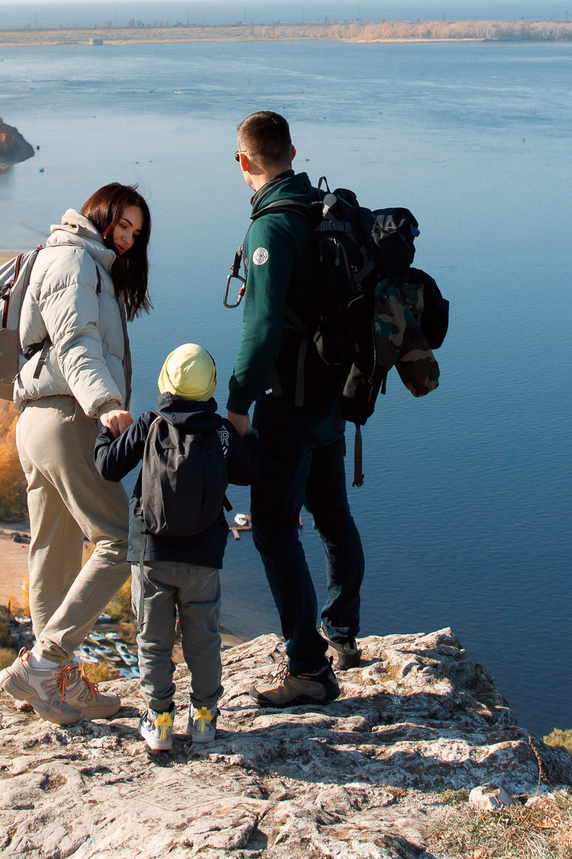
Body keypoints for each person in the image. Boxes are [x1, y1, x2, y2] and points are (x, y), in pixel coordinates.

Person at [0, 184, 151, 726]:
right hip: (67, 419)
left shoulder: (72, 258)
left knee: (53, 552)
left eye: (136, 232)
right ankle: (45, 662)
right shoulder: (73, 260)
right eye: (122, 225)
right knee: (120, 540)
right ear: (99, 215)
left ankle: (51, 687)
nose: (128, 239)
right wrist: (105, 402)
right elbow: (75, 339)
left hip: (37, 421)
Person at [224, 110, 365, 707]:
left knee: (277, 531)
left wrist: (237, 404)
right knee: (331, 512)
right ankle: (342, 633)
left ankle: (308, 669)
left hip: (290, 401)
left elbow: (259, 330)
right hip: (333, 395)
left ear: (244, 161)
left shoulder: (271, 227)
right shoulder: (322, 208)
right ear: (292, 151)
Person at [94, 342, 257, 754]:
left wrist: (104, 430)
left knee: (154, 640)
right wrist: (247, 434)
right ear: (210, 386)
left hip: (151, 554)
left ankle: (159, 720)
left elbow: (107, 466)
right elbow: (249, 471)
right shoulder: (220, 431)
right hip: (203, 558)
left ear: (165, 381)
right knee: (203, 639)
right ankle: (204, 718)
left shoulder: (150, 424)